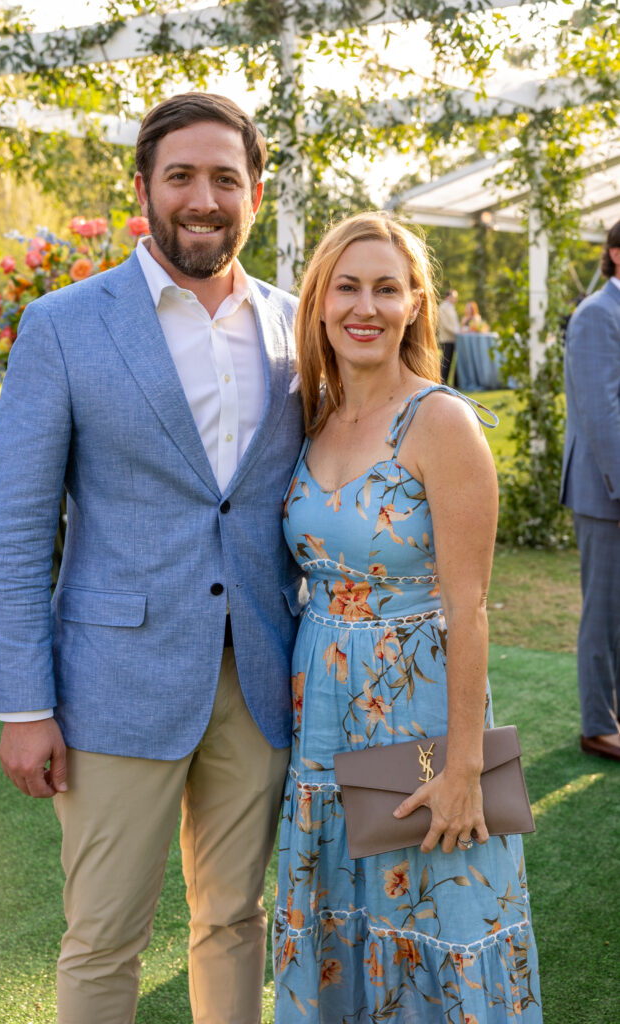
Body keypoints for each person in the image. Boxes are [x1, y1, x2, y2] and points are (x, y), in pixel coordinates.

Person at [0, 92, 307, 1024]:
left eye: (225, 179)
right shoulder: (64, 325)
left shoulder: (297, 329)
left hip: (257, 683)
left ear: (254, 194)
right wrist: (24, 705)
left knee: (235, 920)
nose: (203, 198)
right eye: (181, 177)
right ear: (142, 188)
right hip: (111, 683)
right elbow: (14, 535)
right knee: (103, 936)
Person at [274, 211, 542, 1021]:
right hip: (321, 717)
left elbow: (468, 606)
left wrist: (463, 768)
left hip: (416, 716)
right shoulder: (309, 418)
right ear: (319, 302)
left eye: (387, 288)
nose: (366, 306)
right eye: (347, 286)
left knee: (435, 918)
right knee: (341, 925)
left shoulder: (442, 421)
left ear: (416, 304)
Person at [560, 218, 620, 762]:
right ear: (616, 255)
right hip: (608, 491)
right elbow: (604, 416)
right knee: (603, 612)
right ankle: (598, 726)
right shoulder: (598, 315)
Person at [437, 286, 460, 383]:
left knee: (452, 361)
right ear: (448, 296)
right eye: (454, 296)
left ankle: (453, 382)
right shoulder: (443, 307)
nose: (455, 299)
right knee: (446, 361)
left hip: (453, 338)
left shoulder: (451, 308)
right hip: (446, 339)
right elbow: (445, 325)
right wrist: (457, 331)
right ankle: (442, 382)